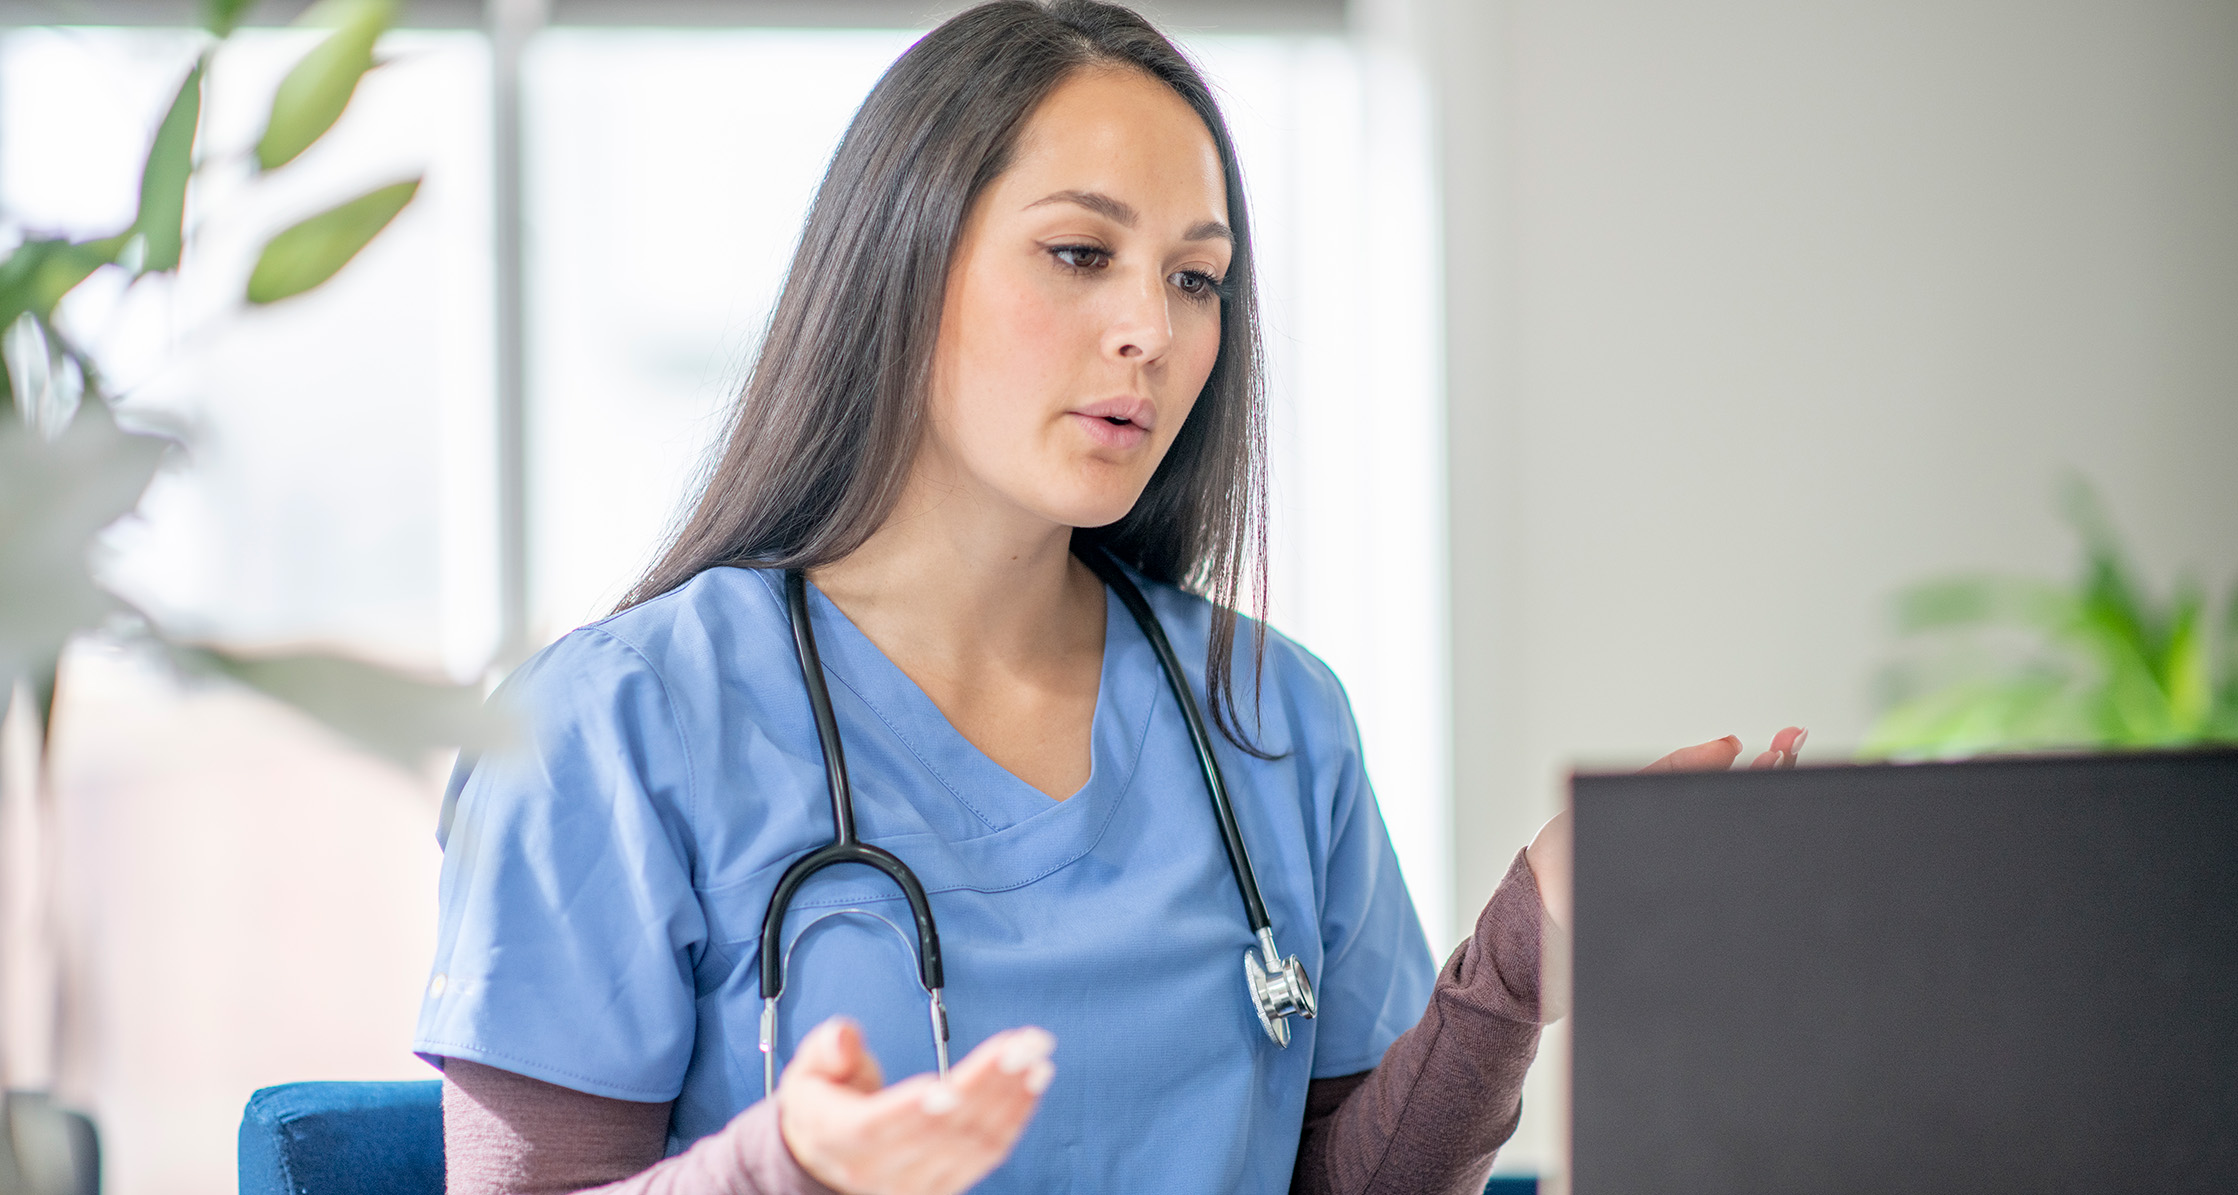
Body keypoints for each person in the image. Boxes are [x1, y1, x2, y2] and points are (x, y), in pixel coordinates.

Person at [414, 3, 1807, 1193]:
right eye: (1081, 254)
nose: (1152, 327)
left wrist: (1512, 965)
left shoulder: (1266, 715)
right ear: (900, 260)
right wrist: (789, 1168)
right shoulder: (614, 726)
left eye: (1195, 278)